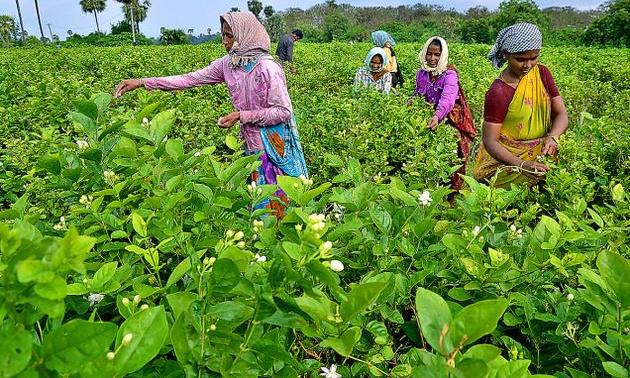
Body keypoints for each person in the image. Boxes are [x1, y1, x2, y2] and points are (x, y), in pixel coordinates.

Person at [113, 12, 308, 218]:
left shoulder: (268, 67)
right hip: (250, 145)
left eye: (230, 36)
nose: (224, 41)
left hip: (275, 145)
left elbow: (283, 111)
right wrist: (142, 82)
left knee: (281, 204)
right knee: (257, 202)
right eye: (223, 35)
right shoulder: (228, 64)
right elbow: (188, 79)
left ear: (245, 34)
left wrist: (242, 116)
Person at [473, 23, 568, 187]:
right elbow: (490, 141)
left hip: (542, 154)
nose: (528, 65)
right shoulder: (498, 92)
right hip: (506, 161)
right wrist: (521, 164)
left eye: (534, 58)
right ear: (506, 54)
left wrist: (553, 137)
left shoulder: (542, 73)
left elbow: (561, 114)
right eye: (520, 59)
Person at [408, 36, 476, 192]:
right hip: (430, 119)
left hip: (451, 120)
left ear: (443, 55)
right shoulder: (422, 73)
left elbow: (448, 99)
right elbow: (418, 92)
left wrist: (437, 116)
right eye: (429, 54)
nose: (433, 58)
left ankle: (453, 193)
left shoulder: (449, 74)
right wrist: (410, 102)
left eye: (437, 54)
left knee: (454, 157)